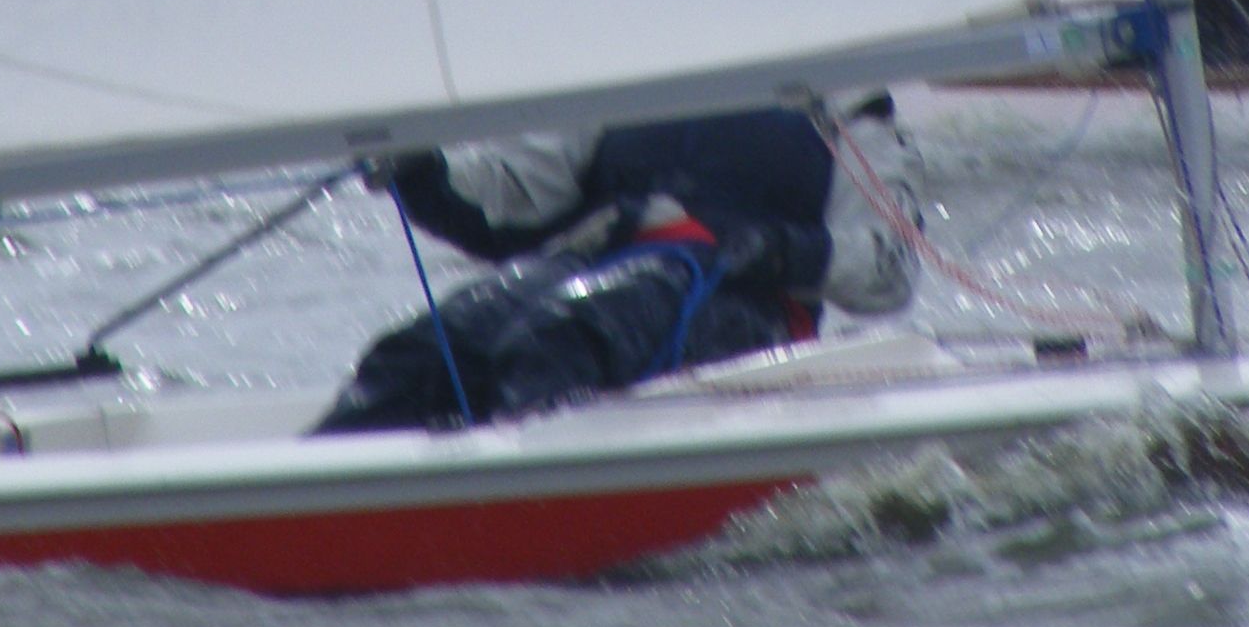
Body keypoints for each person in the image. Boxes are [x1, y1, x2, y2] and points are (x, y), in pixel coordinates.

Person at [311, 100, 919, 433]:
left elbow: (890, 268)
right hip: (594, 267)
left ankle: (507, 498)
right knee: (419, 356)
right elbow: (516, 206)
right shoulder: (630, 65)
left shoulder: (843, 95)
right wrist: (424, 173)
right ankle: (319, 486)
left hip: (742, 305)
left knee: (559, 341)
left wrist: (780, 251)